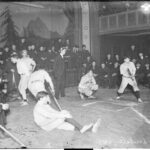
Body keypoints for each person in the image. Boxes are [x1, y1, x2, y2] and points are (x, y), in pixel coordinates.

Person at [33, 91, 101, 133]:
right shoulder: (39, 107)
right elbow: (50, 115)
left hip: (49, 121)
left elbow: (53, 112)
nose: (48, 98)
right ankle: (82, 128)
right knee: (65, 116)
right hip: (45, 125)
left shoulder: (44, 104)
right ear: (41, 98)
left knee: (69, 126)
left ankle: (90, 130)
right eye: (46, 97)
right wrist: (63, 115)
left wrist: (61, 112)